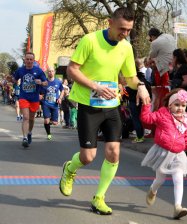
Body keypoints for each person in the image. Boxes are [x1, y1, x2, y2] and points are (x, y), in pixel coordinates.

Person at [58, 7, 150, 215]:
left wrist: (142, 85)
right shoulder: (89, 40)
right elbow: (72, 70)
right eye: (122, 29)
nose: (125, 34)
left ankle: (99, 198)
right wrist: (95, 87)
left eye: (129, 30)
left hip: (112, 107)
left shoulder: (126, 48)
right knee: (88, 156)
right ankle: (69, 169)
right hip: (89, 106)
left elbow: (130, 78)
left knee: (113, 153)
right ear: (109, 22)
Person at [140, 88, 187, 219]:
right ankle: (153, 190)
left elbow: (185, 135)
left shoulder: (185, 119)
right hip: (163, 153)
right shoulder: (162, 114)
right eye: (177, 105)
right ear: (170, 105)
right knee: (160, 179)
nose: (180, 108)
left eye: (183, 106)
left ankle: (177, 207)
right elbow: (146, 118)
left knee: (178, 177)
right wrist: (146, 105)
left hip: (178, 154)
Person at [13, 52, 48, 148]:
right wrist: (12, 80)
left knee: (32, 119)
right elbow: (14, 80)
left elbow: (46, 83)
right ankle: (24, 138)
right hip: (23, 97)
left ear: (33, 60)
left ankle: (29, 133)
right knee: (26, 117)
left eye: (30, 59)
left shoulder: (38, 71)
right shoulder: (20, 70)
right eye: (27, 59)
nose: (28, 61)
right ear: (24, 60)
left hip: (34, 98)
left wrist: (41, 82)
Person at [40, 67, 64, 140]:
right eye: (49, 71)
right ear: (47, 72)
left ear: (54, 72)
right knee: (46, 120)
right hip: (46, 103)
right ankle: (49, 134)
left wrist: (60, 98)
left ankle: (50, 120)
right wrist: (40, 95)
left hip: (54, 104)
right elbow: (39, 90)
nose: (51, 72)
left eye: (52, 71)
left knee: (55, 123)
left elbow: (62, 90)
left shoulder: (58, 82)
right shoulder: (44, 82)